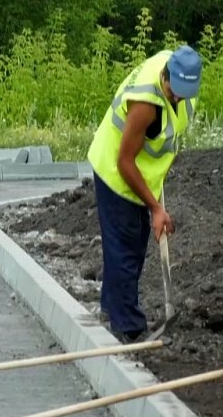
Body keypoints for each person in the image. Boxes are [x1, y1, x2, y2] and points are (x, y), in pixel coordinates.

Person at [86, 45, 202, 343]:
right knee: (125, 248)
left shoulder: (179, 72)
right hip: (116, 173)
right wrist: (156, 209)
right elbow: (124, 162)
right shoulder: (145, 105)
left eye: (183, 94)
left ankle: (111, 309)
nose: (177, 98)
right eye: (173, 92)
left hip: (142, 174)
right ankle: (128, 328)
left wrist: (154, 192)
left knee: (133, 245)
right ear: (165, 76)